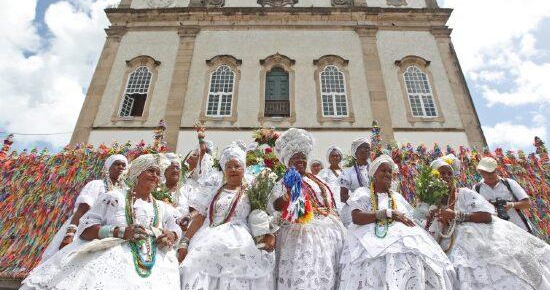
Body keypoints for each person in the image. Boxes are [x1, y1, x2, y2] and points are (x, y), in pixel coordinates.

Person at [21, 153, 182, 289]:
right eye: (151, 171)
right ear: (138, 173)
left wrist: (171, 235)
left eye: (158, 173)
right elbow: (85, 228)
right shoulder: (114, 197)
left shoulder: (162, 207)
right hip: (109, 257)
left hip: (153, 263)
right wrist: (120, 232)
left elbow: (176, 227)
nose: (155, 176)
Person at [426, 155, 550, 290]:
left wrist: (455, 215)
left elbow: (486, 216)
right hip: (452, 243)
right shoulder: (471, 190)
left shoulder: (467, 192)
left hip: (495, 234)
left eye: (449, 173)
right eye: (441, 173)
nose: (446, 176)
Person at [339, 154, 456, 289]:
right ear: (374, 174)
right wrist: (387, 213)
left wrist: (428, 215)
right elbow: (357, 217)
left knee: (418, 258)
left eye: (390, 171)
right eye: (383, 170)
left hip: (405, 235)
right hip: (370, 236)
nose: (388, 174)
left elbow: (412, 218)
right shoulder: (363, 192)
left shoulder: (397, 196)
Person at [179, 144, 276, 290]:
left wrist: (269, 235)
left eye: (237, 166)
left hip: (242, 239)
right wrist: (185, 242)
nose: (233, 170)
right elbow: (200, 217)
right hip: (209, 235)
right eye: (229, 167)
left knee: (237, 275)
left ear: (244, 169)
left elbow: (262, 217)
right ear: (224, 170)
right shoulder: (213, 190)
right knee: (192, 266)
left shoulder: (252, 191)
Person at [268, 128, 345, 290]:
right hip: (300, 234)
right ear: (288, 162)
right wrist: (287, 197)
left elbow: (330, 203)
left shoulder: (317, 180)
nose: (301, 161)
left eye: (303, 158)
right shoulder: (284, 182)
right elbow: (275, 205)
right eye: (296, 158)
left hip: (329, 231)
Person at [40, 154, 129, 262]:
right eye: (117, 164)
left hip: (110, 234)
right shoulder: (97, 185)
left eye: (123, 165)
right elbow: (82, 209)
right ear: (108, 167)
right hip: (85, 230)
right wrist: (70, 234)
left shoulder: (125, 191)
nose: (120, 167)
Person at [473, 156, 533, 232]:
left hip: (520, 229)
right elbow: (474, 209)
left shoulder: (509, 183)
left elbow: (527, 204)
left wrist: (511, 205)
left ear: (497, 170)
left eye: (491, 172)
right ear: (480, 172)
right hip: (496, 233)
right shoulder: (476, 188)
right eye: (485, 172)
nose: (489, 175)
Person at [340, 138, 371, 226]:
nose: (365, 149)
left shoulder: (375, 170)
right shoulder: (347, 172)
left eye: (368, 148)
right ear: (355, 151)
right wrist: (358, 204)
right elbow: (343, 196)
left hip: (374, 206)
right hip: (355, 208)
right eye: (362, 147)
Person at [318, 146, 344, 216]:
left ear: (340, 157)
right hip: (332, 205)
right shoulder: (324, 172)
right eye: (332, 156)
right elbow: (320, 189)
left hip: (345, 205)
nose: (335, 157)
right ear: (329, 158)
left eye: (337, 156)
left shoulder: (345, 172)